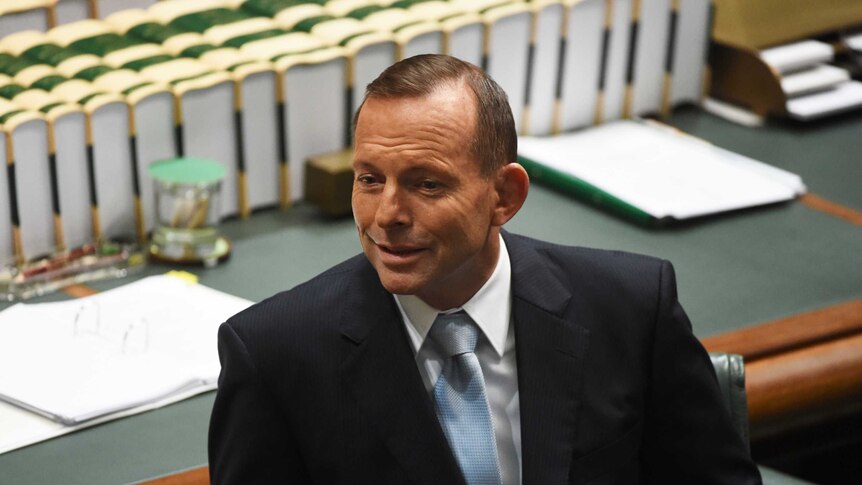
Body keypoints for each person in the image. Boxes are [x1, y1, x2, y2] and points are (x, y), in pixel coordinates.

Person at [208, 54, 761, 484]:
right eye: (370, 179)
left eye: (427, 184)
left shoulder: (634, 308)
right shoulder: (274, 356)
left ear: (504, 195)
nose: (387, 215)